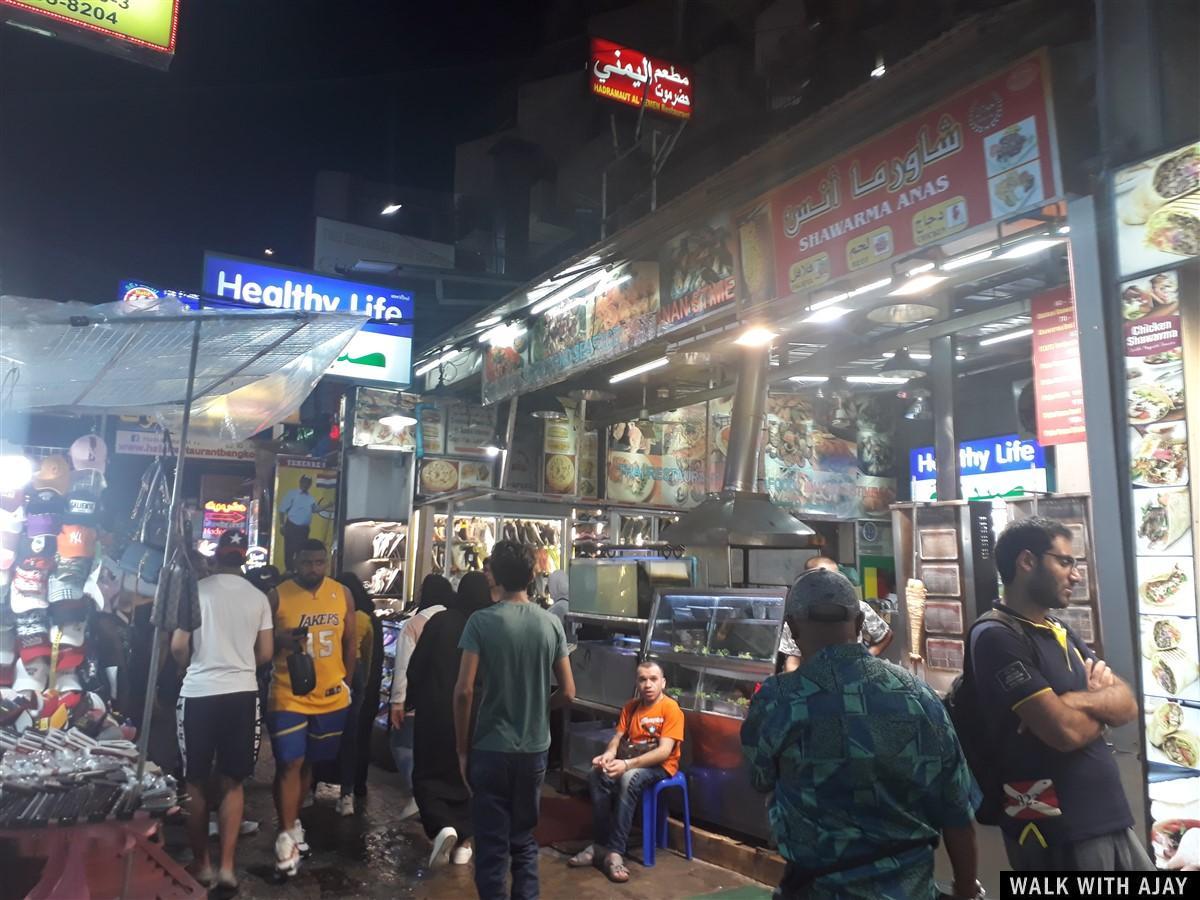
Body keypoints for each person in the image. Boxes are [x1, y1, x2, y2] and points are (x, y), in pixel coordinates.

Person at [742, 568, 979, 899]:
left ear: (793, 629)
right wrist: (966, 888)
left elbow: (759, 779)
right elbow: (957, 810)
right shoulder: (918, 695)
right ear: (857, 625)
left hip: (816, 888)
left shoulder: (776, 700)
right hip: (910, 888)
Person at [970, 517, 1148, 871]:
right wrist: (1098, 705)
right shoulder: (995, 636)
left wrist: (1075, 700)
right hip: (1055, 831)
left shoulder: (1058, 629)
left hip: (1107, 817)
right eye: (1065, 561)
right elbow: (1063, 732)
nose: (1076, 575)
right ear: (1027, 562)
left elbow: (1127, 703)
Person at [454, 540, 576, 900]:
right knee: (524, 842)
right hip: (535, 749)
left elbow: (463, 691)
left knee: (491, 848)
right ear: (533, 574)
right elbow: (569, 692)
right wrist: (540, 707)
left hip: (490, 747)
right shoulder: (549, 624)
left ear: (496, 576)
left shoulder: (481, 622)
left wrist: (462, 750)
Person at [170, 530, 273, 891]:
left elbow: (178, 645)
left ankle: (203, 866)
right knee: (233, 781)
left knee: (195, 781)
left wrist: (188, 666)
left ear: (215, 558)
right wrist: (239, 663)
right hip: (241, 695)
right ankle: (228, 867)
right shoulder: (259, 597)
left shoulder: (197, 591)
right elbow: (265, 654)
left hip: (199, 694)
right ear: (244, 558)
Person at [266, 539, 355, 877]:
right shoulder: (278, 594)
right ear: (295, 561)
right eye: (308, 562)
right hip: (287, 692)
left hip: (330, 695)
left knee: (308, 764)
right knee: (290, 760)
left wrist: (347, 678)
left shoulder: (341, 593)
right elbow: (261, 638)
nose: (314, 569)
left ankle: (294, 821)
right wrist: (281, 640)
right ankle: (286, 834)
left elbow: (349, 638)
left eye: (320, 562)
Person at [568, 659, 684, 884]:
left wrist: (627, 765)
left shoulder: (671, 709)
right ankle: (600, 846)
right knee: (596, 774)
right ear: (637, 683)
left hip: (659, 767)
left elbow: (664, 752)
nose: (648, 684)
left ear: (663, 682)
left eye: (653, 679)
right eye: (642, 679)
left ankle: (615, 852)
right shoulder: (631, 707)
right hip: (631, 759)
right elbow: (617, 738)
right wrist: (608, 755)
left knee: (628, 778)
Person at [408, 571, 493, 867]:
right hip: (476, 713)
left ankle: (442, 826)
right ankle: (464, 843)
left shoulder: (441, 621)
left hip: (434, 710)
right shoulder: (488, 625)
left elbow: (416, 666)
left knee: (428, 773)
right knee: (468, 777)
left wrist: (411, 699)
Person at [389, 573, 455, 817]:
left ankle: (417, 793)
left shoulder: (414, 624)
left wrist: (398, 701)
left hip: (419, 700)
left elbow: (403, 666)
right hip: (449, 699)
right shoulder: (457, 620)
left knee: (403, 745)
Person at [779, 556, 892, 671]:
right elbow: (792, 661)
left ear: (858, 622)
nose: (831, 584)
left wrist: (867, 658)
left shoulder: (858, 607)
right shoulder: (797, 614)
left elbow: (885, 635)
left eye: (835, 578)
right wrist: (797, 683)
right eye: (823, 579)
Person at [327, 574, 377, 816]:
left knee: (323, 731)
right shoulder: (364, 618)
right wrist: (363, 686)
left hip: (330, 671)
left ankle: (312, 784)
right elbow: (367, 656)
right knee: (350, 734)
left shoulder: (332, 614)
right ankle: (347, 793)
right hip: (355, 673)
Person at [340, 573, 384, 803]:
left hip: (340, 676)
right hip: (362, 681)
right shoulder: (368, 618)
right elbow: (372, 657)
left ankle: (325, 780)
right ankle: (356, 785)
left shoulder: (341, 615)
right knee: (359, 735)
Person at [278, 476, 322, 571]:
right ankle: (289, 570)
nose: (306, 485)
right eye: (304, 482)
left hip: (304, 529)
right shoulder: (292, 494)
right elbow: (282, 510)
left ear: (310, 485)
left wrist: (327, 506)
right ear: (300, 482)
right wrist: (281, 525)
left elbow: (315, 509)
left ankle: (299, 570)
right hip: (292, 526)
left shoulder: (310, 498)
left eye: (308, 483)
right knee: (289, 550)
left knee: (301, 551)